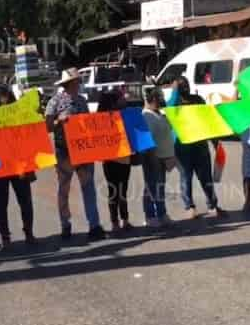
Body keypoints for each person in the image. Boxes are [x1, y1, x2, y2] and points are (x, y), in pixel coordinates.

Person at [45, 67, 106, 241]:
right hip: (63, 151)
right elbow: (47, 126)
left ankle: (94, 226)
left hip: (83, 150)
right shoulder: (54, 102)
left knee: (88, 188)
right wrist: (59, 121)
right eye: (77, 81)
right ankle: (65, 224)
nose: (79, 83)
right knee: (64, 189)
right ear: (69, 83)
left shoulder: (82, 101)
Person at [0, 85, 36, 250]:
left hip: (18, 163)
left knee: (25, 199)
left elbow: (29, 137)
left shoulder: (19, 114)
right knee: (1, 201)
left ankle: (28, 232)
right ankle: (5, 236)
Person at [168, 76, 228, 219]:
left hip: (200, 145)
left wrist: (215, 142)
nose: (185, 88)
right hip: (182, 147)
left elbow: (208, 120)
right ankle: (190, 207)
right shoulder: (174, 104)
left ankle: (212, 204)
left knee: (205, 177)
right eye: (181, 86)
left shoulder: (198, 100)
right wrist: (175, 91)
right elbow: (171, 108)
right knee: (185, 177)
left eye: (186, 84)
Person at [97, 91, 133, 233]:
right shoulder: (101, 120)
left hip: (124, 158)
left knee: (122, 191)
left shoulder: (125, 115)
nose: (123, 100)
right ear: (113, 102)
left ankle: (125, 220)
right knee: (114, 191)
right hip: (110, 160)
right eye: (120, 99)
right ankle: (115, 222)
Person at [141, 88, 176, 228]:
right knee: (150, 186)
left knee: (160, 187)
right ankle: (150, 216)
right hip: (152, 157)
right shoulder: (146, 115)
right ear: (152, 99)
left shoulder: (160, 114)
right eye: (158, 98)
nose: (161, 100)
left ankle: (162, 214)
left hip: (164, 157)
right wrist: (152, 156)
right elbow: (147, 139)